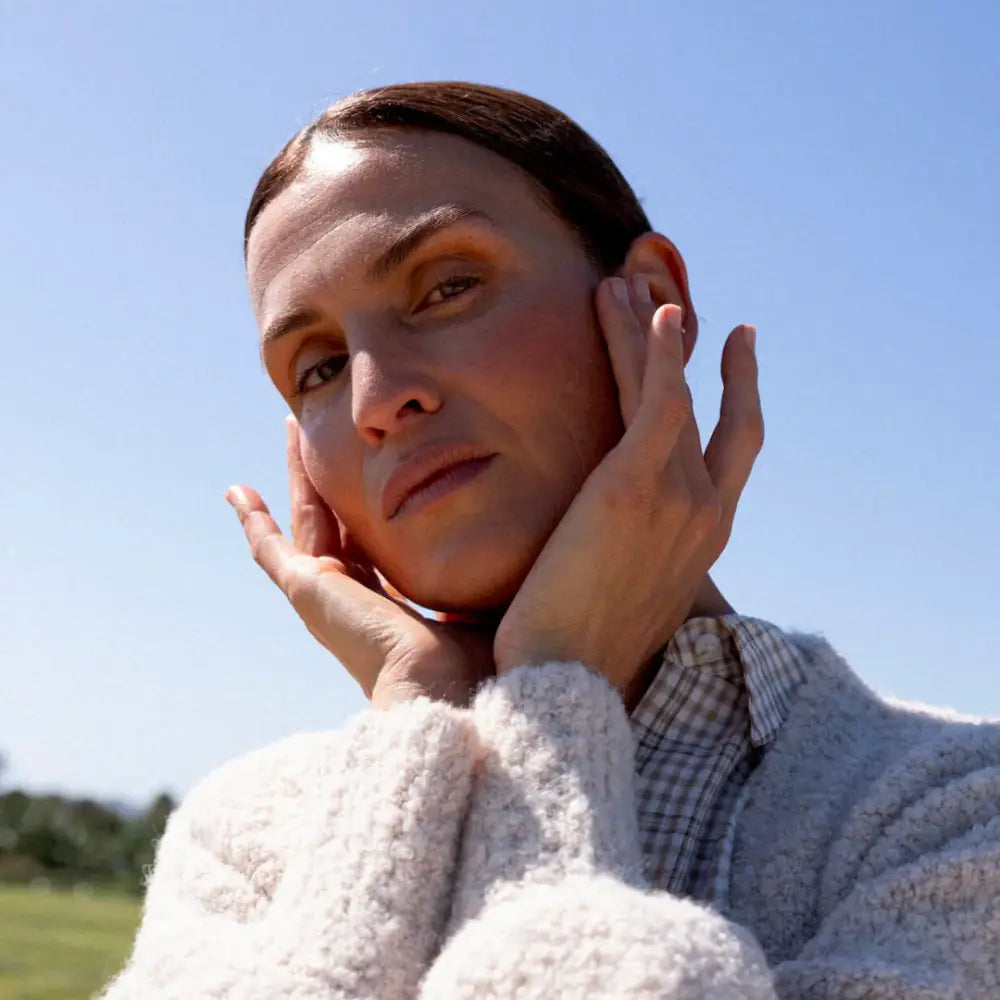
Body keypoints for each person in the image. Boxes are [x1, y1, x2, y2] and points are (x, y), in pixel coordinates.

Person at [100, 83, 1000, 999]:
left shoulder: (956, 815)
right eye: (319, 368)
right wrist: (449, 708)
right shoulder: (245, 841)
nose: (375, 400)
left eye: (448, 286)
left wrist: (550, 693)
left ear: (651, 302)